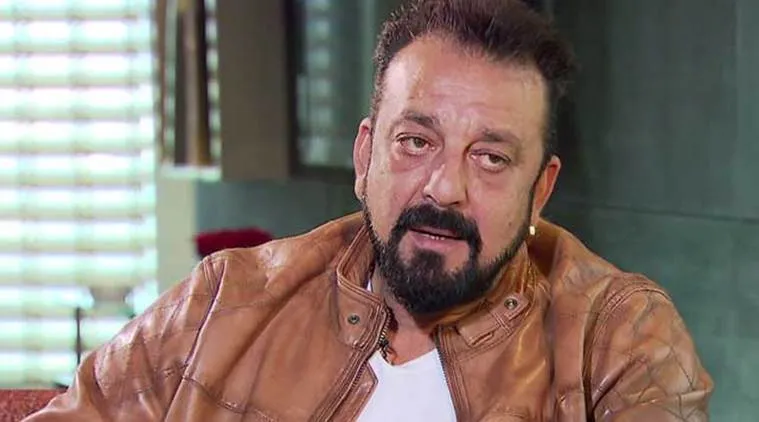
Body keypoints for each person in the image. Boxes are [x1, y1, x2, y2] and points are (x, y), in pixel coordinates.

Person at [26, 0, 713, 420]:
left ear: (539, 190)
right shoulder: (225, 301)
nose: (444, 188)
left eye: (489, 157)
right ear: (364, 156)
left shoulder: (617, 337)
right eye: (415, 142)